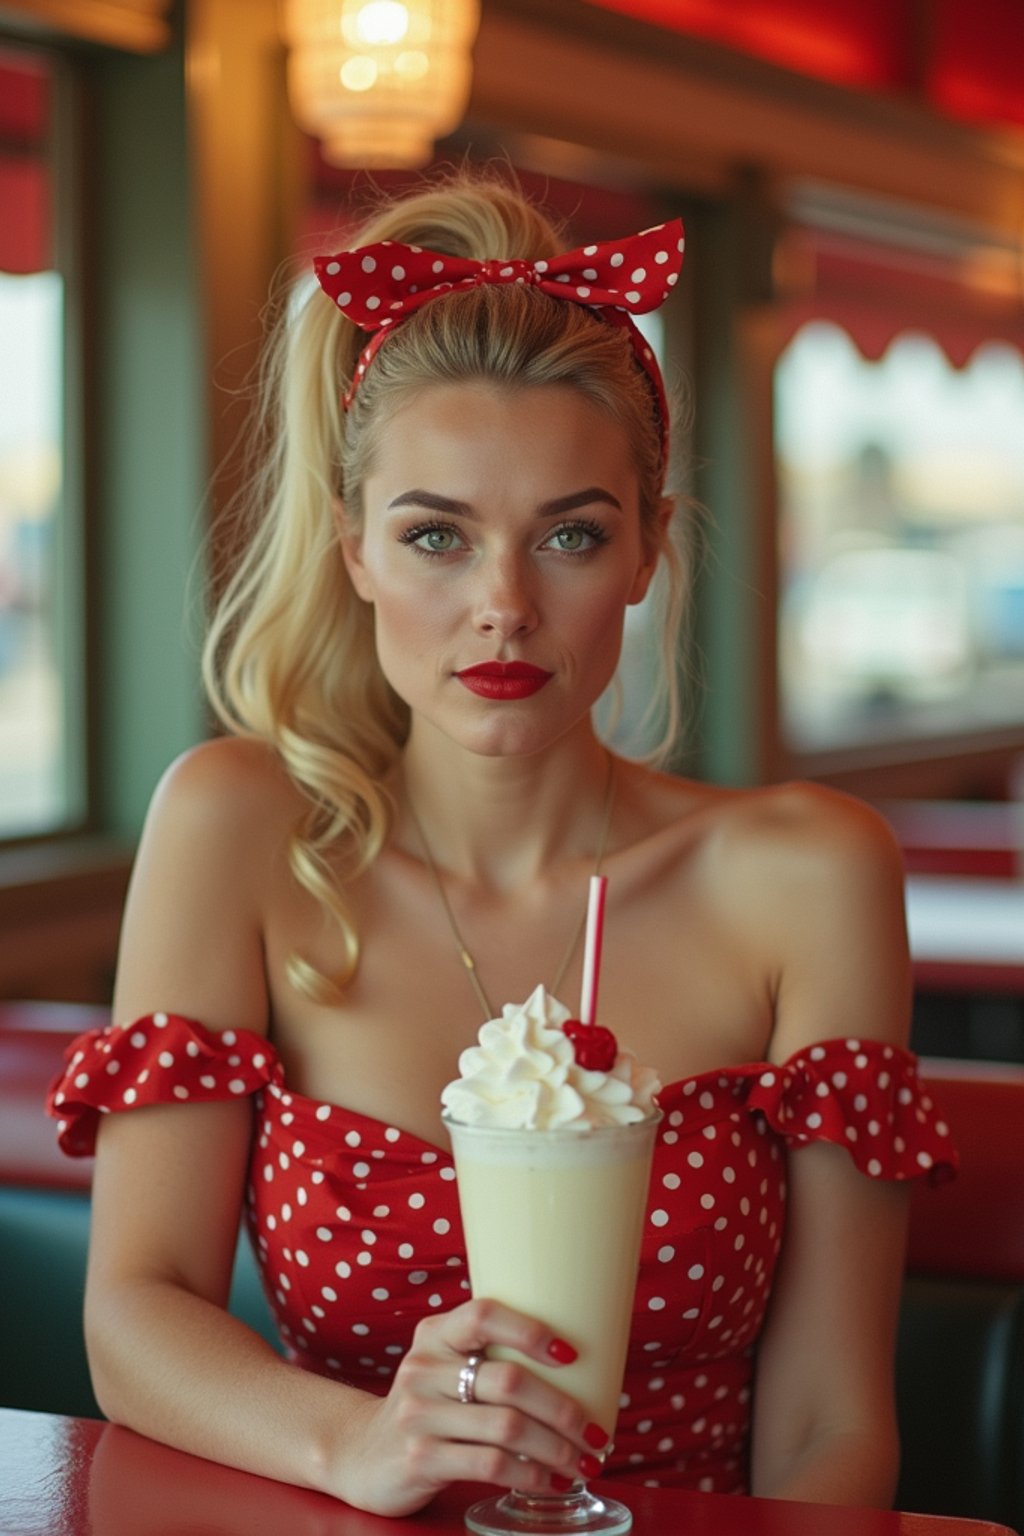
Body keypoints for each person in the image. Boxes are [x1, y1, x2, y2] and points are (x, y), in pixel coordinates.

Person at [48, 171, 954, 1517]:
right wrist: (350, 1445)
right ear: (353, 549)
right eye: (436, 537)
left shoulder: (808, 872)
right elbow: (138, 1311)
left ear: (648, 548)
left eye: (571, 535)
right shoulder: (236, 830)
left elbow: (830, 1422)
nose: (504, 609)